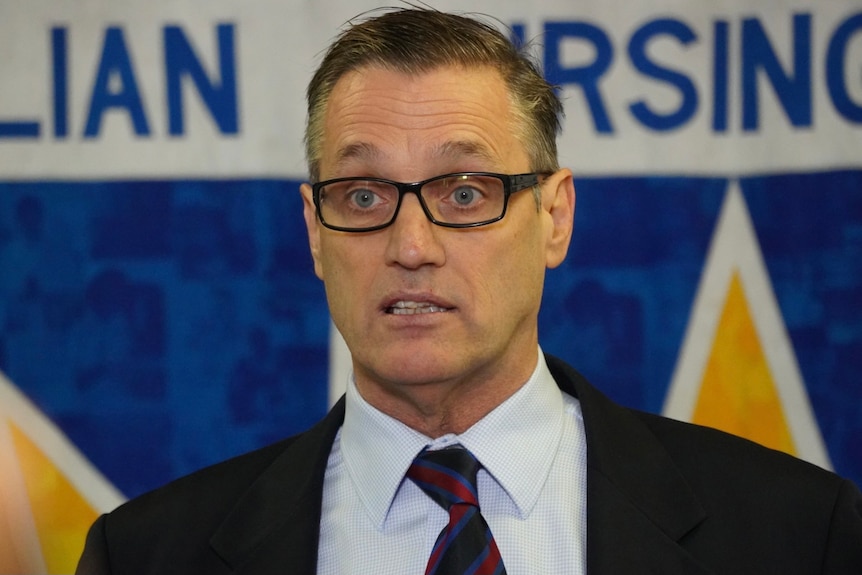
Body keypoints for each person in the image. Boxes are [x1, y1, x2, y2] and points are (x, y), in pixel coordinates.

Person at [76, 7, 862, 575]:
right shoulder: (147, 553)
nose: (411, 247)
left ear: (554, 217)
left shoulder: (797, 533)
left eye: (464, 192)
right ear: (314, 231)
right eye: (362, 195)